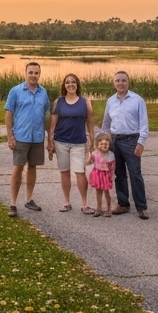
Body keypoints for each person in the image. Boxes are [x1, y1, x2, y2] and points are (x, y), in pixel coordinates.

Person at [99, 70, 150, 219]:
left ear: (128, 82)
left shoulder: (137, 100)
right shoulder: (111, 101)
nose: (120, 83)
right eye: (117, 81)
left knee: (135, 174)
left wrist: (141, 143)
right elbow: (106, 123)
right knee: (119, 174)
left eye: (123, 80)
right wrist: (104, 140)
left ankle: (141, 207)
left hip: (132, 140)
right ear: (114, 83)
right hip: (115, 141)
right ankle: (123, 204)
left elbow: (144, 124)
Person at [4, 61, 50, 217]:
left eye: (36, 73)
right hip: (21, 136)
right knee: (17, 167)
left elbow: (46, 115)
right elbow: (8, 114)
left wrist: (49, 138)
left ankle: (29, 199)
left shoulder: (43, 92)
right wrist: (10, 136)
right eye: (31, 72)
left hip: (37, 137)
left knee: (33, 167)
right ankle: (12, 203)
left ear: (39, 74)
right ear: (25, 73)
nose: (33, 76)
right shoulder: (16, 91)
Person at [46, 73, 96, 214]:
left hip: (79, 143)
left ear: (77, 84)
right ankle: (67, 202)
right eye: (67, 82)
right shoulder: (59, 102)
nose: (70, 85)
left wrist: (92, 139)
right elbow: (52, 124)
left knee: (80, 172)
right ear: (64, 86)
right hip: (61, 142)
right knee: (64, 172)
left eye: (73, 82)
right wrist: (50, 141)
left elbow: (90, 122)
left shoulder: (85, 102)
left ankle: (85, 204)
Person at [86, 132, 115, 216]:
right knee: (98, 192)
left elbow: (112, 167)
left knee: (107, 192)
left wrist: (111, 176)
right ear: (97, 144)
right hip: (97, 175)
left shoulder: (111, 155)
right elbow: (88, 163)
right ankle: (98, 208)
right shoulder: (95, 154)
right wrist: (89, 158)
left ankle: (108, 209)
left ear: (109, 144)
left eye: (106, 144)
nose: (104, 146)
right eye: (101, 144)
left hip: (106, 176)